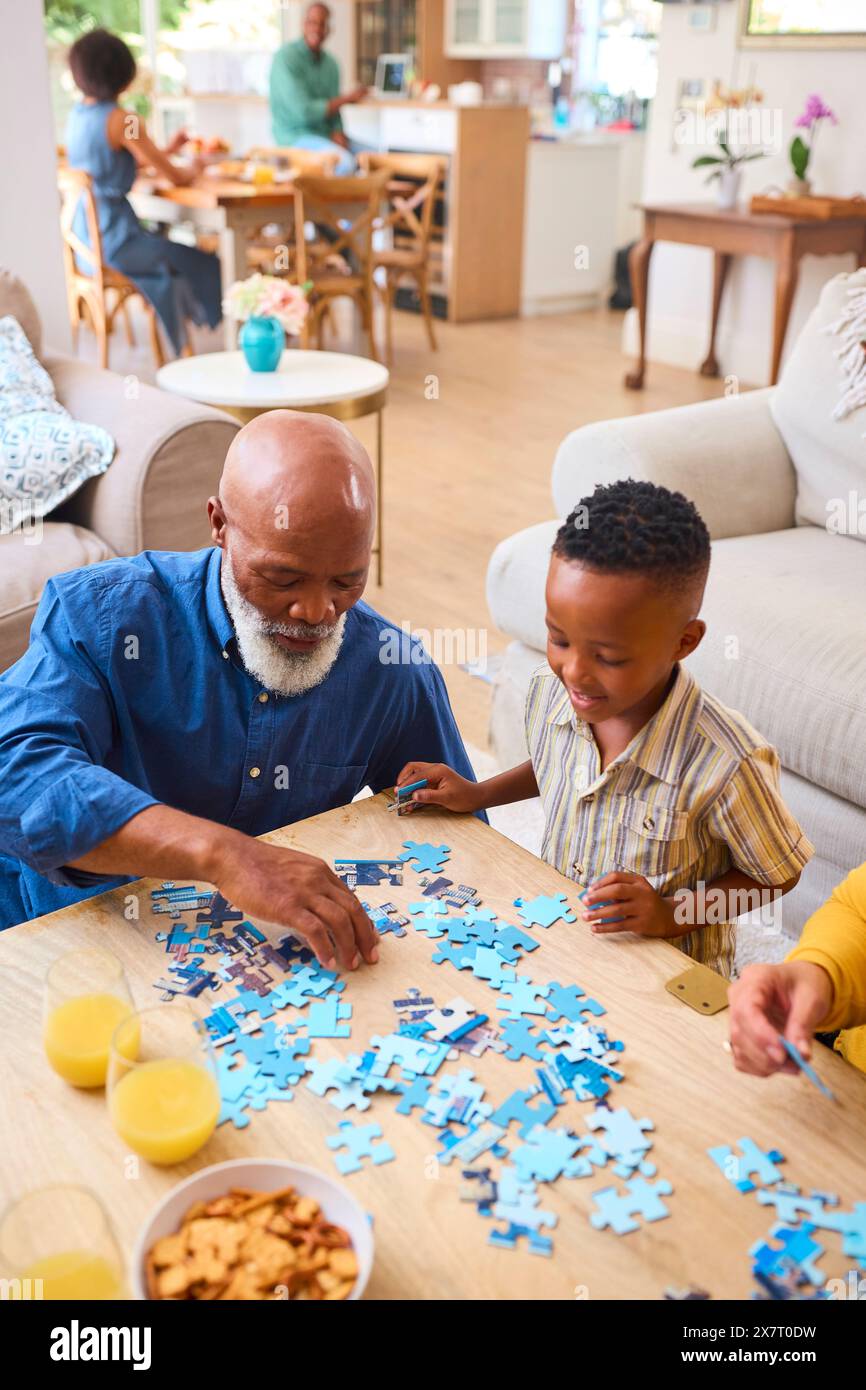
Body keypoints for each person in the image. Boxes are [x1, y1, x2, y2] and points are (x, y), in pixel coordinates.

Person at [0, 411, 478, 971]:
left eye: (346, 581)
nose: (317, 613)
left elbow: (460, 842)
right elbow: (16, 774)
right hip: (62, 939)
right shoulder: (100, 618)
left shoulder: (392, 669)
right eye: (284, 579)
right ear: (219, 523)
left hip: (261, 967)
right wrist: (226, 856)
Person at [396, 480, 813, 979]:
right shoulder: (550, 693)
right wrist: (478, 793)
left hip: (668, 976)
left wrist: (671, 914)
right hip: (560, 939)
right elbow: (560, 765)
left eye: (608, 657)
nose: (574, 671)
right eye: (558, 638)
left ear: (684, 641)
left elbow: (777, 875)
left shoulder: (727, 761)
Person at [65, 27, 221, 356]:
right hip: (118, 241)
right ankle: (226, 342)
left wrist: (167, 148)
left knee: (176, 255)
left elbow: (112, 166)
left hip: (86, 242)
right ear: (121, 73)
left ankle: (184, 341)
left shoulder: (78, 115)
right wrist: (194, 168)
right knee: (208, 263)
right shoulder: (122, 119)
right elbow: (177, 178)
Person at [729, 863, 866, 1076]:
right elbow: (857, 910)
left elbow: (782, 875)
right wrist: (819, 971)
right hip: (847, 1062)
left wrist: (674, 914)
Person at [269, 3, 367, 175]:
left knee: (376, 159)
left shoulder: (331, 64)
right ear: (303, 24)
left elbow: (335, 112)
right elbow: (304, 111)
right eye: (312, 22)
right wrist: (348, 98)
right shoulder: (286, 58)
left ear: (329, 29)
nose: (317, 28)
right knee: (344, 164)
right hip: (294, 138)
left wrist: (337, 131)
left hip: (326, 136)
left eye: (322, 24)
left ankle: (395, 203)